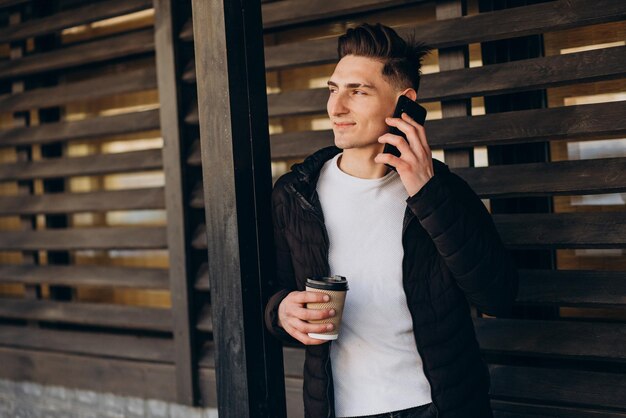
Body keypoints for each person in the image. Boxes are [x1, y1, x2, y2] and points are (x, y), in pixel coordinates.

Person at [264, 23, 518, 418]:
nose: (336, 107)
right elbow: (270, 292)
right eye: (333, 89)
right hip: (340, 409)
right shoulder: (295, 195)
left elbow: (498, 295)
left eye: (358, 92)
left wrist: (427, 195)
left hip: (438, 407)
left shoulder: (445, 192)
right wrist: (281, 311)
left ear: (404, 103)